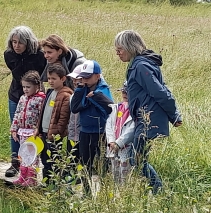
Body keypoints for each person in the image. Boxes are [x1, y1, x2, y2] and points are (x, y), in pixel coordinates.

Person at [114, 30, 183, 194]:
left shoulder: (140, 66)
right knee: (137, 159)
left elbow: (160, 92)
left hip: (148, 120)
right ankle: (153, 191)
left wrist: (174, 115)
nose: (117, 53)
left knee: (136, 159)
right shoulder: (137, 65)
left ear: (130, 47)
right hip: (143, 119)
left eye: (120, 49)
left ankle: (159, 192)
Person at [4, 26, 47, 177]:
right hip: (17, 95)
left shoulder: (39, 56)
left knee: (38, 130)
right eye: (14, 42)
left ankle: (37, 163)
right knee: (15, 129)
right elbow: (18, 75)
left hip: (36, 97)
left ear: (28, 43)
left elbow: (39, 75)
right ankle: (15, 163)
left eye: (20, 43)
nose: (16, 45)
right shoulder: (9, 54)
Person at [70, 60, 114, 195]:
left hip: (101, 132)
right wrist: (80, 89)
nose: (85, 80)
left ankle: (104, 193)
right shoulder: (83, 88)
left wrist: (95, 97)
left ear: (98, 76)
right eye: (83, 77)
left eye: (88, 77)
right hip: (85, 131)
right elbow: (74, 107)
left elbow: (110, 108)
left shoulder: (103, 89)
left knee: (103, 164)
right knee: (84, 164)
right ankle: (87, 192)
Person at [34, 63, 73, 185]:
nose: (50, 81)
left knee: (55, 161)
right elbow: (43, 112)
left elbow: (63, 119)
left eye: (54, 79)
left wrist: (56, 135)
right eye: (49, 78)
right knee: (45, 159)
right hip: (44, 132)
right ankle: (46, 185)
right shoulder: (50, 92)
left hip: (55, 135)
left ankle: (55, 187)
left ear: (63, 79)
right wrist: (38, 129)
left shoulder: (66, 95)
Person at [9, 71, 45, 186]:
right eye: (24, 87)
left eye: (28, 87)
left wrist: (38, 130)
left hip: (33, 133)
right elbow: (17, 113)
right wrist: (14, 129)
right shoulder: (22, 98)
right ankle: (22, 176)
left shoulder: (41, 99)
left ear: (37, 86)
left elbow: (41, 116)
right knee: (23, 154)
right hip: (22, 132)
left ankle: (32, 178)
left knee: (32, 156)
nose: (25, 89)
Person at [105, 80, 135, 184]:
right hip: (113, 147)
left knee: (126, 175)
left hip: (126, 147)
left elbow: (132, 129)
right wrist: (112, 141)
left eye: (127, 92)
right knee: (115, 174)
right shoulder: (116, 108)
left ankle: (125, 195)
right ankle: (116, 196)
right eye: (123, 91)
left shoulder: (136, 110)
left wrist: (119, 142)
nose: (124, 94)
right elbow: (109, 125)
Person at [65, 64, 83, 183]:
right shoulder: (73, 96)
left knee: (81, 159)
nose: (75, 81)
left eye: (78, 79)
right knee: (70, 158)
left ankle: (79, 178)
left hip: (82, 134)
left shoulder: (86, 95)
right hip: (72, 134)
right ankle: (71, 179)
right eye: (74, 79)